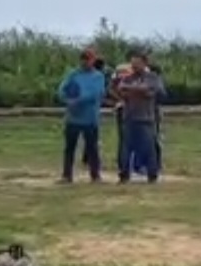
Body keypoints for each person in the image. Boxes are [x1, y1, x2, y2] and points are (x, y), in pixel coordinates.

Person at [115, 47, 164, 183]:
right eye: (132, 64)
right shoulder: (127, 78)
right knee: (126, 148)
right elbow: (120, 89)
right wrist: (141, 91)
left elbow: (153, 91)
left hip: (146, 119)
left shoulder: (153, 77)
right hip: (129, 118)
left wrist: (133, 90)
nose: (134, 67)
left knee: (149, 148)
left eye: (137, 64)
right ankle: (124, 174)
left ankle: (152, 174)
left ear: (144, 63)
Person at [57, 47, 105, 183]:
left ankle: (95, 175)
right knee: (69, 148)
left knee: (92, 148)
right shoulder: (73, 74)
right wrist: (66, 99)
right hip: (73, 118)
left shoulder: (98, 76)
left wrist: (76, 101)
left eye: (88, 59)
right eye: (83, 59)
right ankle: (67, 175)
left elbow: (96, 94)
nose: (85, 63)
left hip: (90, 118)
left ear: (93, 61)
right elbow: (61, 89)